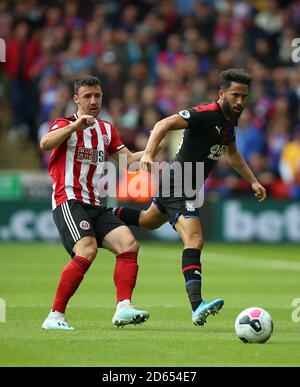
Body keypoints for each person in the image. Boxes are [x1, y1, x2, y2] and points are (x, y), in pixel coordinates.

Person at [113, 69, 267, 326]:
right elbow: (163, 124)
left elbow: (232, 153)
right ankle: (197, 306)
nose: (240, 101)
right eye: (235, 95)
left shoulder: (230, 121)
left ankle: (103, 215)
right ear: (221, 94)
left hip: (187, 185)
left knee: (149, 220)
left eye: (244, 96)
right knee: (194, 239)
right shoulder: (205, 114)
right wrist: (149, 154)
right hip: (179, 182)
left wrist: (252, 180)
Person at [40, 75, 149, 330]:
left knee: (129, 244)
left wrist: (155, 145)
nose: (93, 101)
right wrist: (74, 128)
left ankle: (123, 307)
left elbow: (129, 161)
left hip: (95, 203)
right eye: (87, 96)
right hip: (69, 199)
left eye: (97, 96)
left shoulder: (106, 130)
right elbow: (45, 143)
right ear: (76, 99)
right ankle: (54, 316)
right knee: (87, 249)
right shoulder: (64, 124)